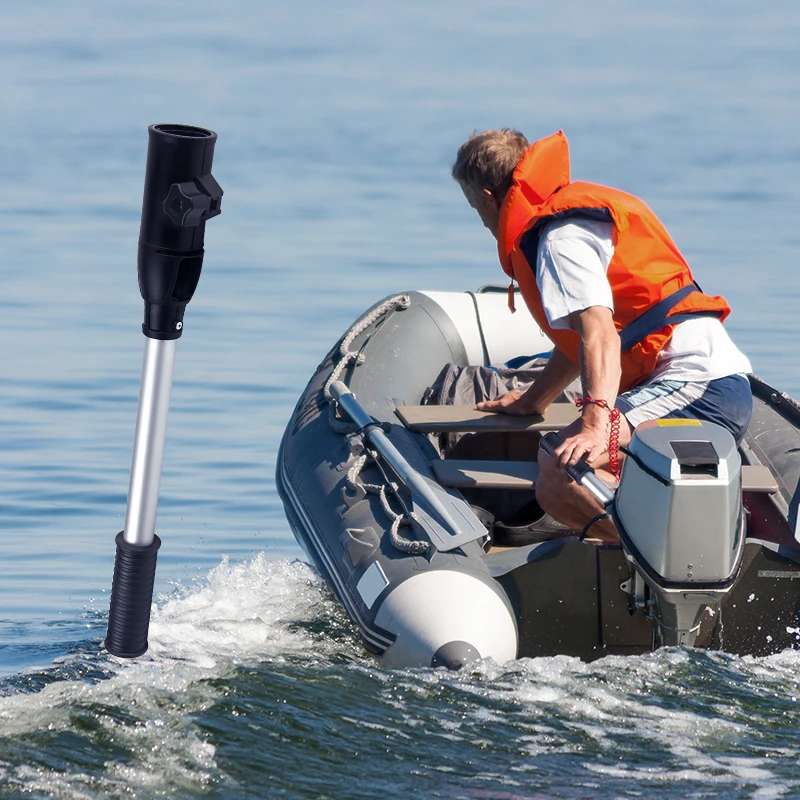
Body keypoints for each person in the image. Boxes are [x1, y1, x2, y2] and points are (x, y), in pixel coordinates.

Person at [451, 129, 752, 542]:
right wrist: (533, 399)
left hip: (699, 386)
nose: (483, 221)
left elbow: (600, 335)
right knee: (563, 461)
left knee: (560, 468)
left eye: (475, 208)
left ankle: (682, 554)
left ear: (487, 197)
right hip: (698, 384)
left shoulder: (560, 240)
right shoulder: (573, 220)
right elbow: (579, 345)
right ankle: (645, 550)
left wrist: (596, 423)